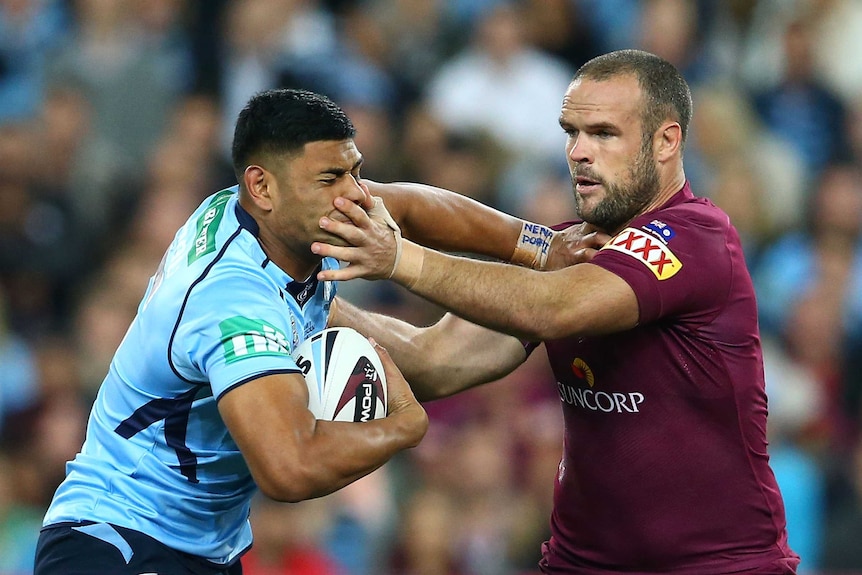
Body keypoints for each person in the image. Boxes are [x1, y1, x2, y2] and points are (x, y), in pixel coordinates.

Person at [33, 88, 597, 574]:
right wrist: (403, 431)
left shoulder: (275, 224)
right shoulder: (234, 301)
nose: (354, 193)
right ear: (263, 187)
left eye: (354, 170)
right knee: (423, 369)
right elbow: (289, 468)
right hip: (117, 541)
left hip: (202, 549)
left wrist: (544, 249)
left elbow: (415, 208)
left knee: (430, 360)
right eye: (332, 178)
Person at [315, 50, 802, 573]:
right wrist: (312, 296)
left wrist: (399, 259)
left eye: (604, 134)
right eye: (571, 132)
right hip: (581, 563)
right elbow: (432, 361)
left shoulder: (697, 240)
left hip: (719, 566)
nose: (578, 152)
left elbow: (554, 308)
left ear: (667, 141)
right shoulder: (576, 250)